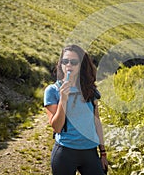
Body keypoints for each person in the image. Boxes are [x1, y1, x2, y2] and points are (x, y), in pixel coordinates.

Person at [44, 44, 108, 175]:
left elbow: (96, 122)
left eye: (73, 62)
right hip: (65, 152)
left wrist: (103, 152)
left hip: (90, 151)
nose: (69, 65)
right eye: (65, 61)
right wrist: (63, 99)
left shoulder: (90, 90)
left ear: (81, 65)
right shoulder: (52, 90)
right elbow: (56, 127)